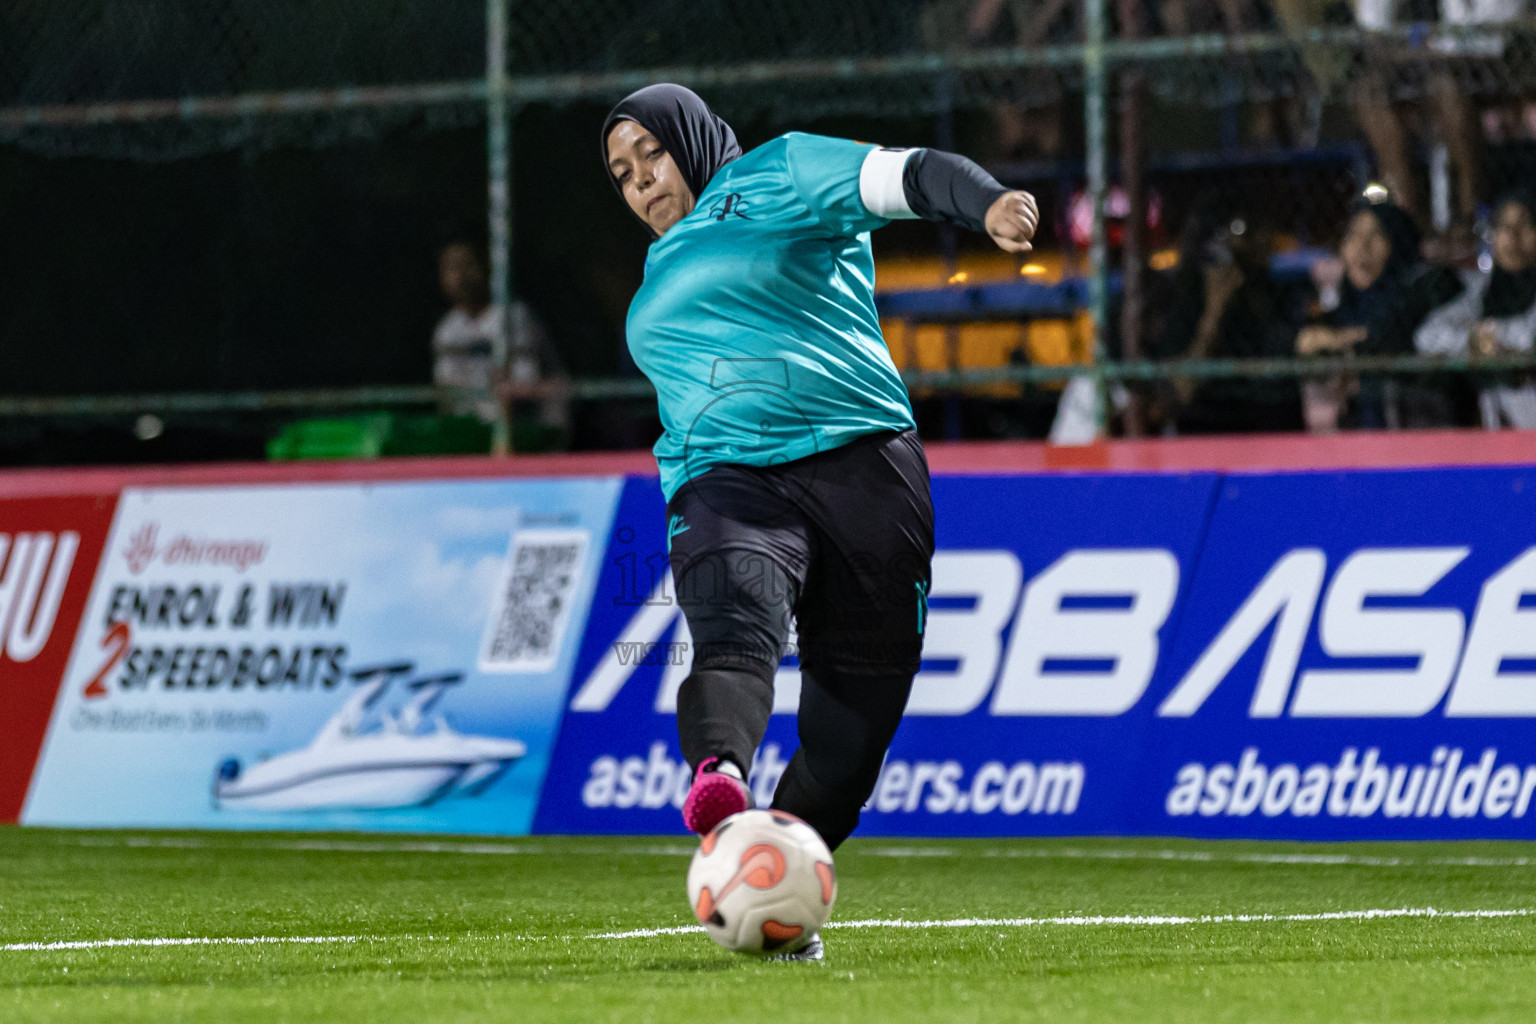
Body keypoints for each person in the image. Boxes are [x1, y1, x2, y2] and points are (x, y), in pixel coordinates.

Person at [602, 84, 1038, 957]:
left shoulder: (781, 172)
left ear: (695, 138)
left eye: (653, 153)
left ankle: (776, 884)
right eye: (622, 173)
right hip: (726, 479)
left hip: (863, 466)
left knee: (849, 744)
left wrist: (985, 201)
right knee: (735, 614)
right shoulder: (654, 280)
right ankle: (719, 771)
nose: (643, 180)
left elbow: (910, 175)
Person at [1295, 196, 1461, 430]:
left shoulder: (1429, 289)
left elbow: (1392, 331)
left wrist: (1337, 340)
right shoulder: (1339, 313)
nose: (1362, 247)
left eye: (1377, 235)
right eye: (1353, 235)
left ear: (1399, 242)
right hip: (1361, 443)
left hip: (1425, 435)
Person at [1151, 199, 1306, 433]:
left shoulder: (1274, 295)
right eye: (1237, 236)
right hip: (1210, 429)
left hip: (1273, 427)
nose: (1254, 245)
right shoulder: (1187, 307)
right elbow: (1182, 390)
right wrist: (1214, 313)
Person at [1416, 191, 1536, 428]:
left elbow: (1528, 336)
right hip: (1496, 422)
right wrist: (1473, 339)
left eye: (1524, 225)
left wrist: (1491, 334)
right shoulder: (1480, 288)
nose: (1512, 237)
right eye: (1503, 227)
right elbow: (1427, 336)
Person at [432, 240, 569, 444]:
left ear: (486, 267)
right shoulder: (446, 330)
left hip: (534, 432)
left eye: (467, 264)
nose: (460, 276)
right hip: (476, 435)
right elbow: (447, 395)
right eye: (451, 267)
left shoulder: (515, 317)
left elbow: (524, 389)